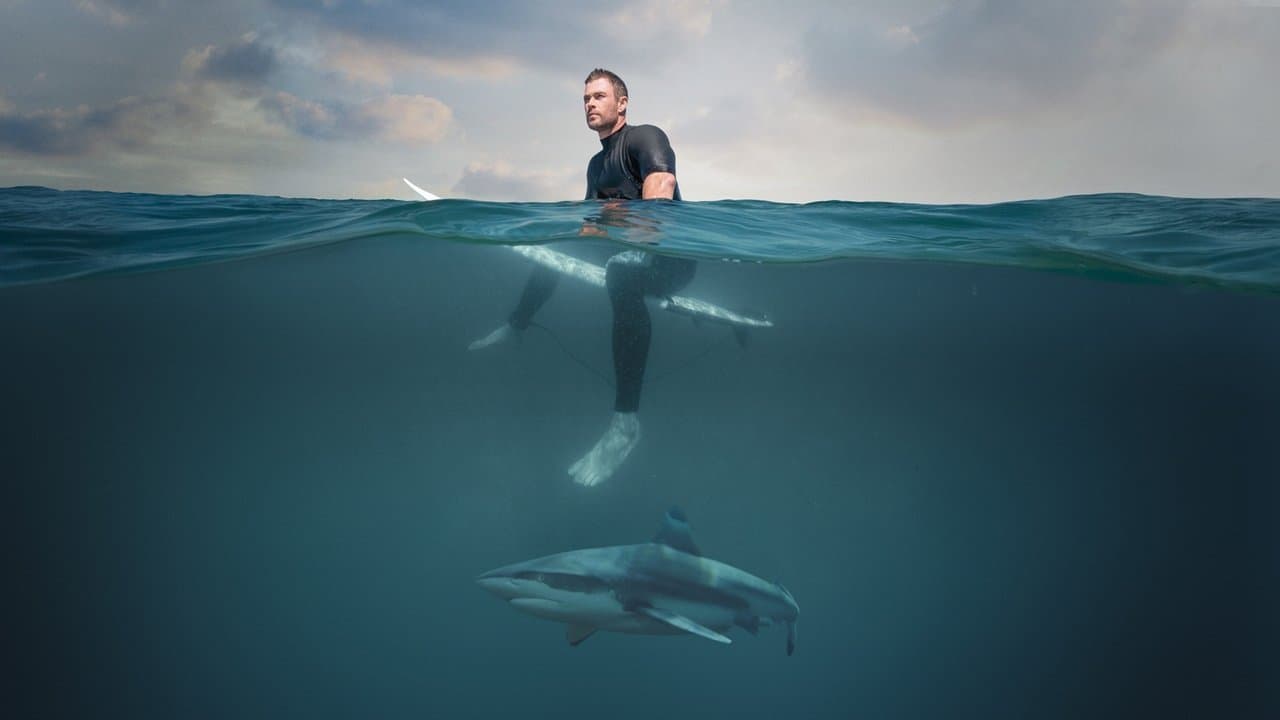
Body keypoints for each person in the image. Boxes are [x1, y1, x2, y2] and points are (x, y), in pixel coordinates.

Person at [469, 68, 695, 487]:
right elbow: (589, 224)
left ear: (621, 103)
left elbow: (661, 185)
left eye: (598, 96)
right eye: (585, 98)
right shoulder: (596, 165)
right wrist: (552, 235)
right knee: (557, 253)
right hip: (628, 254)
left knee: (621, 272)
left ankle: (626, 421)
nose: (589, 103)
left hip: (673, 259)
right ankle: (518, 323)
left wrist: (637, 244)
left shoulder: (645, 137)